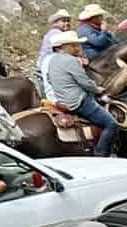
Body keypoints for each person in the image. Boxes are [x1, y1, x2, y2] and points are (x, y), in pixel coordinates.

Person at [44, 27, 120, 157]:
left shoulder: (52, 61)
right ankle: (101, 153)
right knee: (111, 123)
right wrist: (97, 89)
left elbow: (50, 80)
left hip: (61, 100)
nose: (77, 48)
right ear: (64, 47)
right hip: (78, 102)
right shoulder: (71, 60)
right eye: (74, 45)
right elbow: (84, 82)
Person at [40, 7, 75, 74]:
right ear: (55, 23)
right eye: (63, 21)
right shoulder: (56, 33)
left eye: (68, 21)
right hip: (48, 65)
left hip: (51, 62)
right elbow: (65, 52)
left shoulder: (57, 32)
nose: (67, 23)